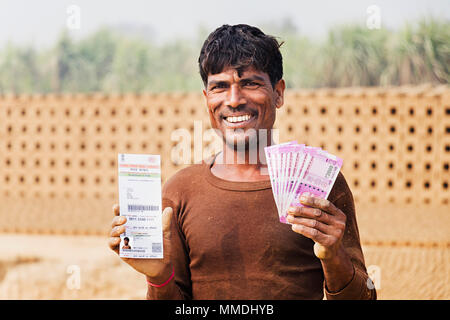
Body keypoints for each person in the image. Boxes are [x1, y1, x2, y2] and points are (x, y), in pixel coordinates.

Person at [109, 24, 376, 300]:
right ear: (206, 99)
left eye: (250, 83)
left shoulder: (319, 186)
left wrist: (334, 258)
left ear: (279, 92)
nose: (234, 100)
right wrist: (158, 276)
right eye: (220, 87)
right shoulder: (180, 192)